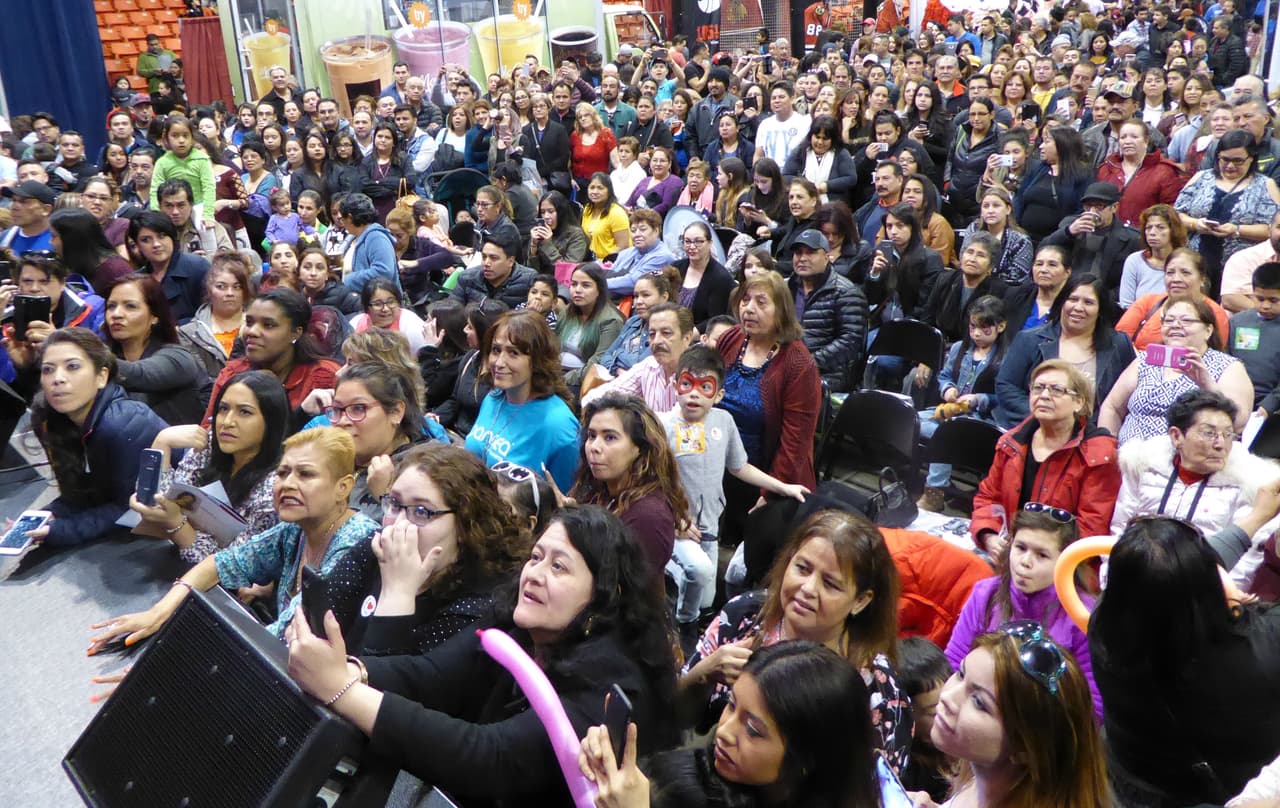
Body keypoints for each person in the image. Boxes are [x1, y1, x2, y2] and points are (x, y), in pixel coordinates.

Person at [285, 504, 678, 806]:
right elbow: (430, 675)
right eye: (536, 557)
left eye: (559, 567)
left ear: (605, 595)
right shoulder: (516, 624)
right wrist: (350, 670)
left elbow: (490, 757)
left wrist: (342, 690)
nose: (535, 574)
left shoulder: (611, 685)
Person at [90, 427, 381, 645]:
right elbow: (221, 563)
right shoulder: (296, 529)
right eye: (282, 473)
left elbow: (282, 637)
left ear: (343, 488)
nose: (287, 484)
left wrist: (173, 664)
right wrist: (158, 612)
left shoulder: (356, 542)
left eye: (305, 474)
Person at [679, 510, 913, 774]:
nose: (808, 589)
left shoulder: (874, 686)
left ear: (861, 600)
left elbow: (879, 790)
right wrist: (705, 673)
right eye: (802, 568)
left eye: (830, 584)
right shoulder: (744, 616)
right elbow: (671, 713)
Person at [1090, 516, 1280, 805]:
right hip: (1225, 796)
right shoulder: (1260, 650)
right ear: (1211, 584)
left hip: (1126, 784)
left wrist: (1252, 519)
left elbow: (1169, 572)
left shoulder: (1105, 625)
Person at [579, 641, 886, 808]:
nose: (724, 732)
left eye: (753, 730)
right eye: (731, 705)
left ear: (806, 759)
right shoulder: (709, 778)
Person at [660, 346, 810, 639]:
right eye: (686, 384)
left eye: (705, 387)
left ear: (719, 394)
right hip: (676, 525)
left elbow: (740, 466)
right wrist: (673, 519)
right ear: (674, 385)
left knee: (706, 596)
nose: (694, 394)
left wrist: (781, 486)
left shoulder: (724, 422)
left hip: (711, 526)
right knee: (699, 573)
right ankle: (683, 631)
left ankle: (681, 595)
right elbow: (652, 480)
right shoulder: (662, 425)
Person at [335, 442, 531, 657]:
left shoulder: (476, 608)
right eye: (395, 504)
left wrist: (398, 592)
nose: (399, 524)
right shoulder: (380, 544)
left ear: (466, 524)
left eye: (422, 511)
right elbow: (316, 619)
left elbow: (378, 681)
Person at [1110, 388, 1280, 591]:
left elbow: (1245, 561)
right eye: (1209, 433)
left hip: (1204, 595)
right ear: (1176, 436)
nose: (1220, 444)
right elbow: (1119, 530)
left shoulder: (1250, 483)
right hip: (1134, 585)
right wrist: (1111, 585)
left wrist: (1219, 603)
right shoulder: (1142, 465)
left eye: (1227, 434)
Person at [946, 504, 1102, 718]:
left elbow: (1093, 705)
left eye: (1042, 555)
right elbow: (954, 662)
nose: (1025, 562)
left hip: (1043, 731)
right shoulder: (985, 594)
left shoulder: (1082, 615)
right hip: (977, 715)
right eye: (1020, 548)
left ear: (1065, 561)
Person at [17, 328, 168, 546]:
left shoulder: (124, 424)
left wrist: (60, 531)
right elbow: (86, 493)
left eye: (73, 367)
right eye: (48, 369)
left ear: (101, 376)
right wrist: (51, 515)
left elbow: (131, 508)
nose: (57, 379)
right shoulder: (53, 420)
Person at [934, 627, 1111, 808]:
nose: (948, 697)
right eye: (961, 674)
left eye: (979, 702)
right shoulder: (974, 778)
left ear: (1025, 749)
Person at [714, 272, 821, 566]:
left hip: (769, 476)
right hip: (719, 466)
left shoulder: (798, 363)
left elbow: (795, 443)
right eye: (746, 299)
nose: (749, 308)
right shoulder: (732, 338)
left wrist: (769, 495)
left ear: (782, 311)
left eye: (761, 302)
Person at [128, 370, 286, 562]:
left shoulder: (275, 487)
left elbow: (230, 566)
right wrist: (162, 443)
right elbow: (156, 502)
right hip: (173, 559)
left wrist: (177, 523)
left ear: (271, 422)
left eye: (244, 412)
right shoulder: (209, 444)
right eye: (223, 409)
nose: (227, 422)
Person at [973, 359, 1121, 554]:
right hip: (1009, 552)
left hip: (1065, 564)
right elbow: (989, 497)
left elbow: (1092, 526)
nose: (1044, 395)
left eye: (1056, 390)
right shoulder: (1011, 443)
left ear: (1079, 402)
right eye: (1038, 388)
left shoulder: (1099, 454)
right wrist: (989, 535)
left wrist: (1040, 556)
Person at [569, 393, 689, 582]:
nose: (594, 447)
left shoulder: (648, 515)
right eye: (591, 436)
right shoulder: (598, 491)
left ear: (639, 447)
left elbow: (620, 590)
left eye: (609, 437)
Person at [1103, 295, 1253, 444]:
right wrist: (1108, 448)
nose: (1175, 325)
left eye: (1186, 320)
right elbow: (1112, 407)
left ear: (1208, 330)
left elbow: (1238, 423)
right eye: (1168, 320)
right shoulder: (1147, 359)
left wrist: (1207, 384)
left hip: (1189, 462)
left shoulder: (1227, 366)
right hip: (1130, 459)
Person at [996, 274, 1134, 428]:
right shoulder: (1029, 339)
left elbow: (1128, 395)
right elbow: (1006, 385)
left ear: (1100, 309)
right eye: (1072, 299)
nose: (1078, 307)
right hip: (1036, 427)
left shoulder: (1120, 344)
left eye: (1088, 302)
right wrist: (1044, 416)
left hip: (1091, 435)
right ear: (1062, 302)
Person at [466, 309, 578, 491]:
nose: (499, 362)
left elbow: (562, 505)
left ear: (538, 360)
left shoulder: (559, 426)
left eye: (513, 353)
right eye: (496, 350)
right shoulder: (493, 398)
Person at [917, 295, 1010, 513]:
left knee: (946, 434)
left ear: (1001, 326)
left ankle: (935, 492)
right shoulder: (960, 348)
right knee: (912, 420)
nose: (977, 334)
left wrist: (979, 399)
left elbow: (1006, 397)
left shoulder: (1006, 358)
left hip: (981, 420)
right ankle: (932, 480)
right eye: (973, 327)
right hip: (950, 412)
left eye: (985, 329)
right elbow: (945, 375)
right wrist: (947, 388)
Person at [203, 288, 340, 428]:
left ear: (296, 333)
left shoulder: (325, 376)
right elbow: (208, 434)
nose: (252, 331)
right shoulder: (232, 374)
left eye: (268, 325)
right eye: (249, 322)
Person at [322, 360, 427, 522]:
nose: (343, 421)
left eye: (358, 408)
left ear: (396, 412)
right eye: (337, 410)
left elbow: (426, 540)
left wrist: (387, 495)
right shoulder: (329, 461)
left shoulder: (426, 468)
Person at [1176, 129, 1280, 291]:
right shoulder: (1201, 177)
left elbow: (1271, 229)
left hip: (1240, 268)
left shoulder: (1265, 185)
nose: (1230, 166)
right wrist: (1196, 224)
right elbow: (1176, 215)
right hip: (1196, 263)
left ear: (1251, 159)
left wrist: (1236, 230)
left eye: (1238, 161)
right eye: (1224, 159)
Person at [102, 274, 210, 426]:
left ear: (154, 316)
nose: (116, 314)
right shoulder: (108, 353)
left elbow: (139, 374)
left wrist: (86, 355)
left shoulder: (179, 357)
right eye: (111, 306)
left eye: (130, 306)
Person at [786, 229, 868, 393]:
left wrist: (808, 363)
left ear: (827, 256)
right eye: (798, 253)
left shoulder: (846, 292)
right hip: (789, 365)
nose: (802, 258)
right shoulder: (787, 287)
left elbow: (850, 342)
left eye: (810, 253)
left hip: (829, 373)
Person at [1116, 247, 1231, 350]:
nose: (1175, 279)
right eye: (1170, 273)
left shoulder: (1215, 313)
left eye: (1185, 273)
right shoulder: (1147, 302)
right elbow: (1119, 342)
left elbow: (1216, 354)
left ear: (1201, 279)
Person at [1042, 181, 1143, 297]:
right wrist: (1068, 232)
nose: (1092, 212)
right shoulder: (1070, 224)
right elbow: (1043, 249)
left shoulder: (1131, 238)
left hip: (1104, 298)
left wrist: (1106, 299)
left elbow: (1131, 281)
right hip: (1065, 291)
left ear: (1114, 207)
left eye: (1099, 206)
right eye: (1088, 206)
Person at [917, 230, 1008, 345]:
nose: (972, 259)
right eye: (969, 252)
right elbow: (927, 320)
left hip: (974, 349)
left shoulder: (999, 290)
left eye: (981, 255)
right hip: (938, 346)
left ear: (991, 265)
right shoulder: (945, 279)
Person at [433, 299, 506, 437]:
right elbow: (455, 401)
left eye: (470, 327)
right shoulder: (470, 357)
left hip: (479, 440)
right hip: (454, 433)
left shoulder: (503, 371)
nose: (464, 330)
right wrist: (435, 417)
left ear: (486, 333)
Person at [1097, 120, 1189, 227]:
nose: (1127, 141)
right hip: (1109, 237)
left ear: (1146, 141)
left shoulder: (1164, 171)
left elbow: (1171, 211)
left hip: (1145, 236)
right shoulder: (1106, 169)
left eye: (1134, 137)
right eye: (1123, 137)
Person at [127, 210, 210, 324]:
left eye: (162, 236)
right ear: (137, 246)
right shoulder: (137, 280)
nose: (156, 244)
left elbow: (212, 315)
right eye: (146, 240)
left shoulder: (198, 268)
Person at [1015, 126, 1093, 245]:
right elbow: (1020, 197)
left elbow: (1081, 209)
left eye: (1047, 142)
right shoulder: (1038, 169)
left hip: (1058, 242)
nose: (1041, 147)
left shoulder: (1083, 175)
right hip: (1025, 239)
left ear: (1062, 145)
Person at [595, 268, 677, 378]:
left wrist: (618, 354)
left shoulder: (671, 328)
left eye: (646, 295)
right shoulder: (633, 321)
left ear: (664, 297)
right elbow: (606, 356)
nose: (638, 302)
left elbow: (639, 364)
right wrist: (618, 370)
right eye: (636, 296)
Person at [557, 263, 624, 389]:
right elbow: (554, 347)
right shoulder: (567, 311)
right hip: (558, 374)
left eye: (585, 285)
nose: (577, 290)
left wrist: (562, 380)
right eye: (574, 284)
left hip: (586, 382)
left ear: (599, 290)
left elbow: (598, 364)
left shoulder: (611, 321)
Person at [1229, 262, 1280, 416]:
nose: (1265, 305)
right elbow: (1225, 362)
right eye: (1260, 298)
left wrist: (1269, 405)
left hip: (1273, 404)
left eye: (1273, 300)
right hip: (1235, 398)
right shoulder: (1237, 322)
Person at [149, 116, 216, 228]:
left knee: (205, 230)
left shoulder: (202, 159)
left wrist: (208, 215)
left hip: (198, 205)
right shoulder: (162, 162)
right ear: (166, 138)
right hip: (172, 208)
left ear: (192, 137)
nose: (181, 140)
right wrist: (157, 215)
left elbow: (209, 187)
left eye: (185, 136)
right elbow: (155, 189)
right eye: (175, 136)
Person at [961, 186, 1034, 287]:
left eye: (996, 206)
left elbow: (1016, 279)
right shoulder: (973, 229)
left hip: (1005, 293)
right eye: (986, 206)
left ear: (1008, 209)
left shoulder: (1021, 241)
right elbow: (964, 260)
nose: (990, 210)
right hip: (971, 284)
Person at [1119, 204, 1189, 307]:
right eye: (1148, 227)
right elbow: (1126, 304)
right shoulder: (1134, 260)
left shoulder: (1188, 262)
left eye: (1160, 227)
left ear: (1173, 231)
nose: (1152, 232)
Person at [449, 229, 537, 310]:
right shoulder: (467, 277)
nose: (486, 263)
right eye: (484, 257)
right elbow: (453, 311)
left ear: (510, 261)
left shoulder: (528, 279)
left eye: (494, 258)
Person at [671, 220, 735, 327]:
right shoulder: (675, 267)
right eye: (687, 241)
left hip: (698, 336)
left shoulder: (720, 277)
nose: (692, 246)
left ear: (710, 243)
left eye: (698, 241)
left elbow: (715, 320)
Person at [602, 209, 676, 296]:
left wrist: (598, 284)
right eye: (633, 230)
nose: (637, 234)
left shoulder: (663, 256)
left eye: (642, 229)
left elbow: (634, 282)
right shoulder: (626, 253)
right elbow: (611, 272)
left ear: (656, 231)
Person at [339, 193, 400, 295]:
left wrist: (349, 280)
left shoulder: (376, 237)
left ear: (349, 218)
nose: (342, 222)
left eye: (342, 219)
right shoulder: (354, 238)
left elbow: (384, 271)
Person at [349, 277, 429, 355]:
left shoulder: (412, 326)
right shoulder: (355, 324)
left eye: (391, 302)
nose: (385, 309)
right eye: (377, 304)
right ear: (366, 307)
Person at [527, 190, 590, 275]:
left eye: (551, 211)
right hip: (542, 281)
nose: (546, 216)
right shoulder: (540, 231)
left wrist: (548, 244)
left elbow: (567, 271)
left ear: (561, 212)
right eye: (542, 212)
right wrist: (533, 248)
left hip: (565, 284)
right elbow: (532, 271)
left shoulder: (576, 235)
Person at [296, 245, 360, 315]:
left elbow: (362, 317)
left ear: (327, 274)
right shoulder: (294, 295)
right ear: (299, 271)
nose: (313, 273)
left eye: (319, 268)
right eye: (307, 267)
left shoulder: (342, 294)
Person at [623, 147, 683, 216]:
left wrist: (640, 214)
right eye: (654, 160)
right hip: (635, 220)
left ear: (669, 164)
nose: (658, 164)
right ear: (650, 163)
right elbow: (629, 202)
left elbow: (666, 205)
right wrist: (626, 209)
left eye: (662, 161)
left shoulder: (674, 181)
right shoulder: (645, 180)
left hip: (655, 222)